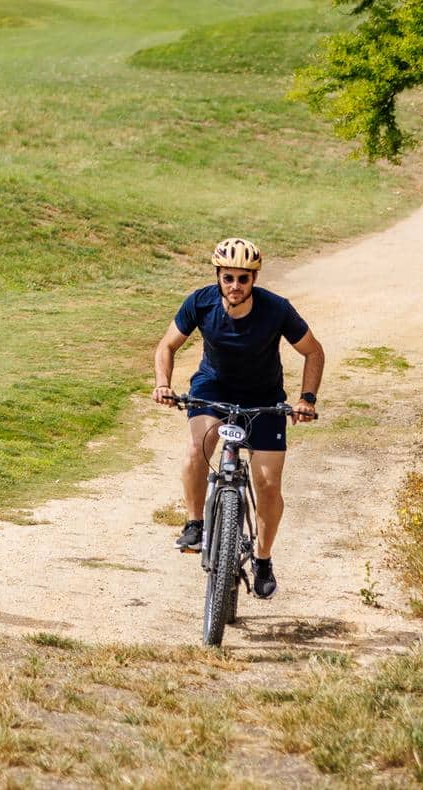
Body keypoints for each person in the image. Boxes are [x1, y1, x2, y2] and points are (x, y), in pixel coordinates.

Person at [151, 237, 324, 599]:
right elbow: (166, 345)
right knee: (199, 446)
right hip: (212, 389)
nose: (235, 286)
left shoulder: (277, 310)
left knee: (268, 485)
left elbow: (313, 351)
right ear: (218, 276)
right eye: (228, 278)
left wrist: (306, 400)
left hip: (264, 399)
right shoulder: (201, 302)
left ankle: (262, 559)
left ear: (254, 280)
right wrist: (163, 385)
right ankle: (195, 524)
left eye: (243, 279)